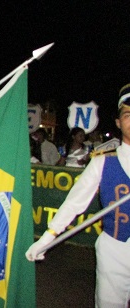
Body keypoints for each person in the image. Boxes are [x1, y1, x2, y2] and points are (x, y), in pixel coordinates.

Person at [25, 83, 130, 307]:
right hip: (115, 252)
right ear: (118, 123)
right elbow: (73, 204)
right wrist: (46, 238)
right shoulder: (103, 160)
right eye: (128, 114)